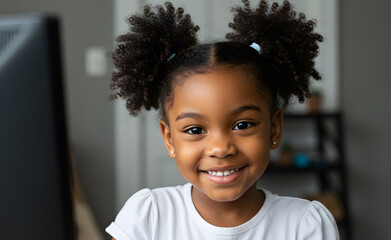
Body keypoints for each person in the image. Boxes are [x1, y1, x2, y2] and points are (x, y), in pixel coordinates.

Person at [106, 1, 339, 239]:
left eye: (242, 125)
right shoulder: (148, 216)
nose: (220, 149)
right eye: (195, 129)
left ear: (274, 129)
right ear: (169, 139)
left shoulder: (304, 224)